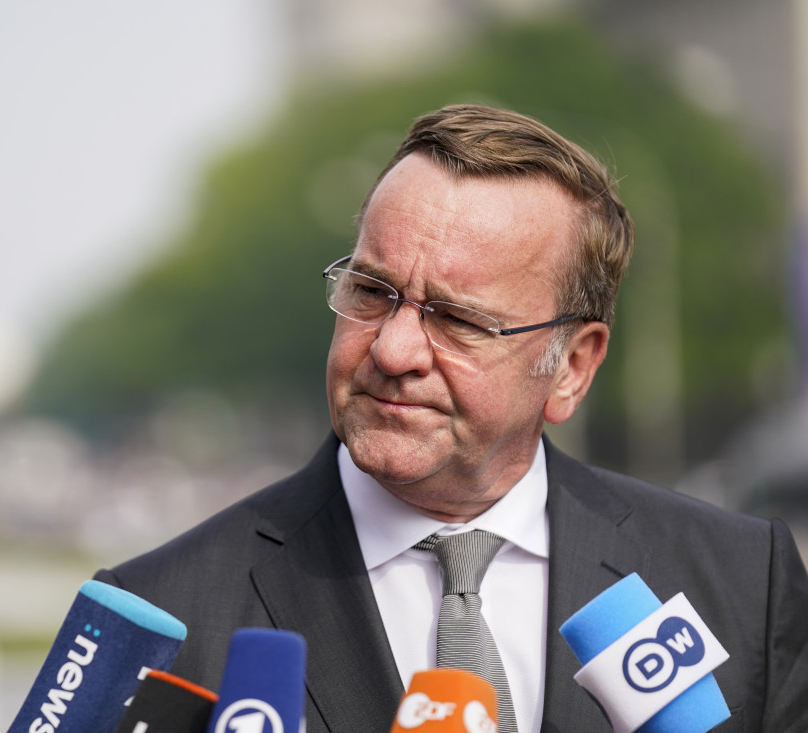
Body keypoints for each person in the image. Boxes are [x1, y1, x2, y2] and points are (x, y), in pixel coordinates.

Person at [94, 104, 808, 732]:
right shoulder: (157, 622)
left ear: (572, 366)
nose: (393, 349)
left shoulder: (744, 583)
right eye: (371, 291)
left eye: (459, 320)